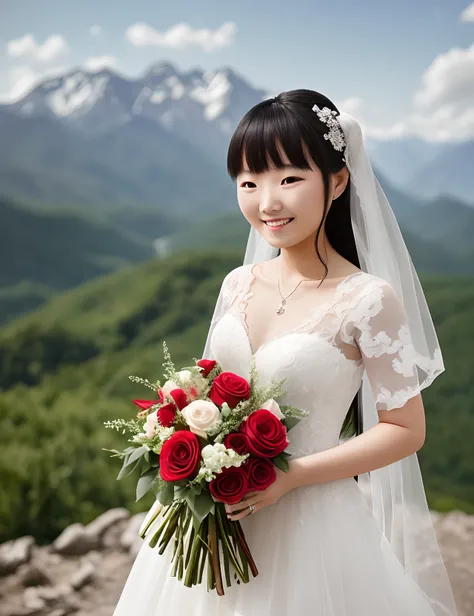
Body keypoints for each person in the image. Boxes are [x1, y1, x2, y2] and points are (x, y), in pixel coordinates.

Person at [113, 89, 458, 615]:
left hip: (313, 528)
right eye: (249, 183)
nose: (267, 202)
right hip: (218, 520)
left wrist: (290, 476)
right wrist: (182, 427)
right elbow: (206, 382)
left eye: (290, 179)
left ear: (337, 181)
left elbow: (406, 429)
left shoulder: (367, 300)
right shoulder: (237, 283)